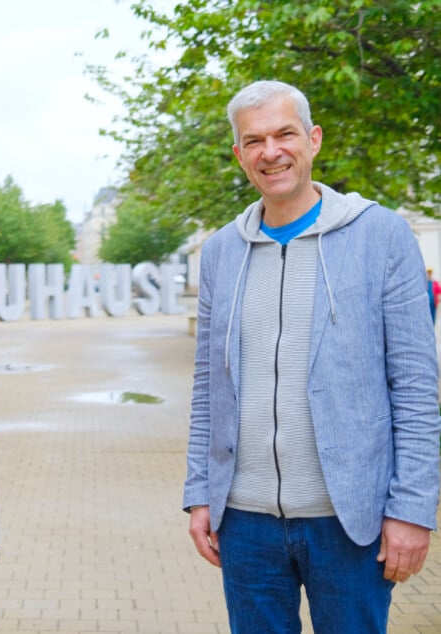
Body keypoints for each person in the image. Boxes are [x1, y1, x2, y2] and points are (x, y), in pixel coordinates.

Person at [183, 80, 440, 633]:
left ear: (313, 139)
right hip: (245, 522)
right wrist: (200, 493)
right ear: (239, 155)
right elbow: (209, 385)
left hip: (351, 522)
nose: (270, 152)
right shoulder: (221, 251)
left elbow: (417, 387)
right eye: (253, 141)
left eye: (284, 134)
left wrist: (413, 510)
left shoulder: (382, 237)